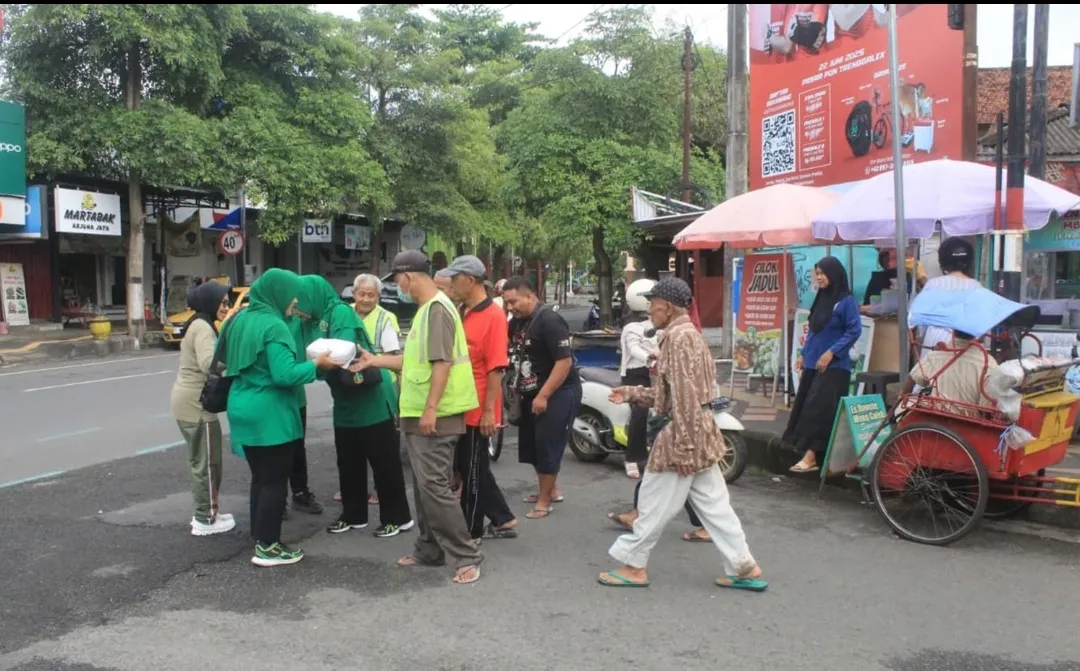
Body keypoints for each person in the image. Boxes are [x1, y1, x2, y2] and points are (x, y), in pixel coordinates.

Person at [601, 278, 765, 590]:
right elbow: (673, 396)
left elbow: (686, 398)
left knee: (651, 503)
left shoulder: (678, 340)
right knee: (716, 507)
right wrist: (632, 393)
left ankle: (634, 566)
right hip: (699, 430)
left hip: (683, 436)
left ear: (669, 306)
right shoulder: (684, 336)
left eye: (653, 302)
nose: (650, 308)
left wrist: (686, 447)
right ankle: (744, 567)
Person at [351, 250, 483, 584]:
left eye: (397, 280)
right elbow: (413, 361)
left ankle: (466, 555)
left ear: (408, 277)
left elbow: (442, 363)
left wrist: (430, 409)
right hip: (421, 413)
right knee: (425, 488)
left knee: (435, 487)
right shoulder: (427, 311)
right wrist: (374, 361)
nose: (399, 287)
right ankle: (429, 549)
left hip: (436, 415)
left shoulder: (437, 310)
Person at [221, 268, 338, 567]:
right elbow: (285, 375)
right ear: (278, 293)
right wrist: (318, 365)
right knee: (273, 481)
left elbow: (221, 358)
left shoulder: (240, 318)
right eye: (291, 293)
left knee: (260, 478)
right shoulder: (274, 326)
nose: (295, 299)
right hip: (269, 413)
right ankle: (269, 547)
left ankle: (261, 535)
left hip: (242, 405)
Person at [296, 275, 414, 538]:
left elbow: (342, 356)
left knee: (384, 463)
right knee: (348, 462)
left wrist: (318, 365)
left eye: (301, 298)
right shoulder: (311, 319)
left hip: (370, 397)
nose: (297, 304)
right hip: (345, 400)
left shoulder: (339, 314)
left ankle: (397, 517)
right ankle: (353, 514)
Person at [444, 255, 518, 540]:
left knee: (473, 470)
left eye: (454, 279)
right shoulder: (463, 310)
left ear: (470, 280)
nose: (451, 284)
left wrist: (490, 412)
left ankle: (471, 530)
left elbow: (496, 368)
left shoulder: (493, 316)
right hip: (461, 402)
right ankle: (502, 518)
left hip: (479, 406)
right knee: (470, 466)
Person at [502, 276, 583, 519]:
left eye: (513, 301)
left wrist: (544, 395)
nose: (510, 307)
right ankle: (550, 490)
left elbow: (564, 362)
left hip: (557, 393)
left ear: (530, 296)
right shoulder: (516, 322)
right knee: (535, 446)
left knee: (548, 445)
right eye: (506, 303)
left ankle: (545, 501)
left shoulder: (549, 320)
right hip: (529, 392)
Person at [786, 256, 862, 473]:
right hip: (813, 364)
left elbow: (854, 330)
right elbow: (814, 330)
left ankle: (811, 457)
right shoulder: (821, 298)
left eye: (822, 273)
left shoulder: (846, 301)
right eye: (817, 273)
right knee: (806, 407)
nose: (819, 277)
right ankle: (810, 455)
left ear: (835, 275)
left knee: (817, 410)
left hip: (835, 368)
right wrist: (803, 354)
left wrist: (831, 352)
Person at [171, 281, 236, 537]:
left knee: (203, 460)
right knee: (207, 464)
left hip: (188, 402)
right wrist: (237, 362)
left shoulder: (199, 324)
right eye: (223, 302)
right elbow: (209, 363)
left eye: (227, 302)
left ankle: (210, 511)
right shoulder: (202, 328)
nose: (226, 306)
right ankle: (205, 519)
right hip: (196, 406)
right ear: (210, 302)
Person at [903, 330, 1000, 414]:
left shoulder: (936, 355)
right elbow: (988, 408)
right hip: (969, 427)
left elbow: (911, 378)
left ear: (953, 331)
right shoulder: (988, 363)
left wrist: (902, 401)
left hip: (936, 419)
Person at [284, 310, 322, 518]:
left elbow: (316, 339)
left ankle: (300, 492)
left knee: (297, 447)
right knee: (275, 452)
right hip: (275, 399)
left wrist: (311, 319)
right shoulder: (266, 322)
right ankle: (276, 499)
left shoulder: (299, 320)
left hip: (296, 395)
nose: (295, 302)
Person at [619, 279, 658, 480]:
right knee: (640, 411)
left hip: (655, 373)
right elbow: (634, 349)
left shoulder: (658, 323)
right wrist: (649, 357)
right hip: (635, 374)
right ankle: (632, 458)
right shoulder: (632, 327)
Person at [914, 237, 982, 353]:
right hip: (964, 344)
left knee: (933, 370)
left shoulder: (932, 284)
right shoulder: (976, 286)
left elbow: (919, 320)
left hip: (934, 341)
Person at [861, 247, 928, 311]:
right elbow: (868, 303)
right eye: (886, 256)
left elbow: (925, 292)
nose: (890, 260)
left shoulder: (910, 273)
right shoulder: (877, 279)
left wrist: (919, 276)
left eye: (894, 257)